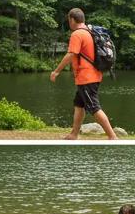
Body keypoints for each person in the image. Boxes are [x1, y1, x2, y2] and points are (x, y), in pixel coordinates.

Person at [50, 8, 118, 141]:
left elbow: (71, 54)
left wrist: (56, 71)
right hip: (93, 75)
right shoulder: (89, 31)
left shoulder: (77, 34)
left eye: (69, 20)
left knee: (94, 107)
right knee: (79, 104)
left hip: (86, 78)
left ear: (72, 19)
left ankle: (112, 136)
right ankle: (74, 134)